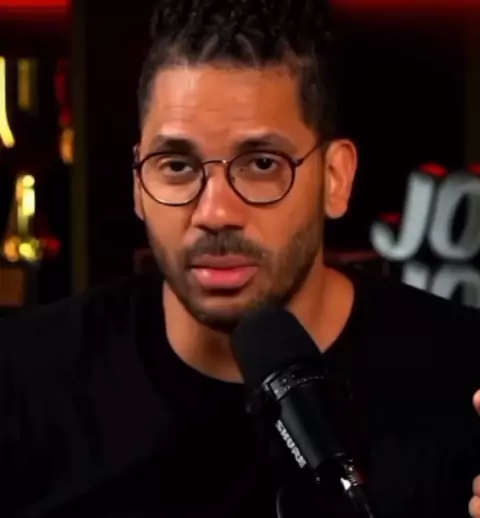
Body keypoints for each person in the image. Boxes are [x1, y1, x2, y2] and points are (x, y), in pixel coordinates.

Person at [1, 0, 480, 517]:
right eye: (177, 165)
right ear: (138, 183)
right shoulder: (24, 381)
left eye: (261, 164)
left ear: (335, 178)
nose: (216, 213)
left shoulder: (464, 377)